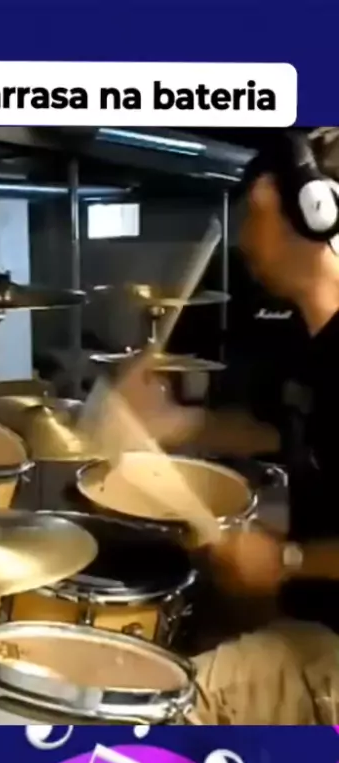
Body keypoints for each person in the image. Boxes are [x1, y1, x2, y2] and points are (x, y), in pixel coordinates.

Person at [113, 128, 339, 724]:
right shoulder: (309, 342)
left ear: (315, 215)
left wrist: (288, 560)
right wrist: (178, 423)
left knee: (162, 717)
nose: (242, 239)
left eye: (256, 215)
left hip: (331, 649)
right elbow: (286, 429)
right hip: (311, 614)